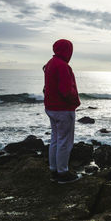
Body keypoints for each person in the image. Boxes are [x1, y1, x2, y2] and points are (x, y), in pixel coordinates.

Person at [43, 39, 81, 184]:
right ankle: (63, 174)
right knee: (65, 141)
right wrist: (75, 102)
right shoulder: (63, 66)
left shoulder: (50, 64)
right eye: (70, 49)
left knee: (55, 139)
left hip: (51, 107)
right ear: (67, 50)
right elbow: (66, 90)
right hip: (63, 109)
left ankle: (54, 170)